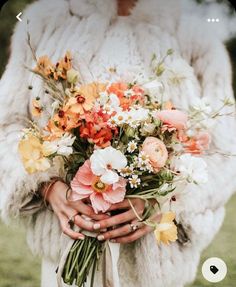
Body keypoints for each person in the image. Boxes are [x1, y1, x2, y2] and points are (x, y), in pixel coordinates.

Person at [0, 0, 236, 286]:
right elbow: (8, 125)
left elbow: (224, 150)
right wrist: (46, 187)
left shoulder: (196, 36)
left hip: (154, 262)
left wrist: (167, 200)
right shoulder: (41, 23)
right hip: (68, 251)